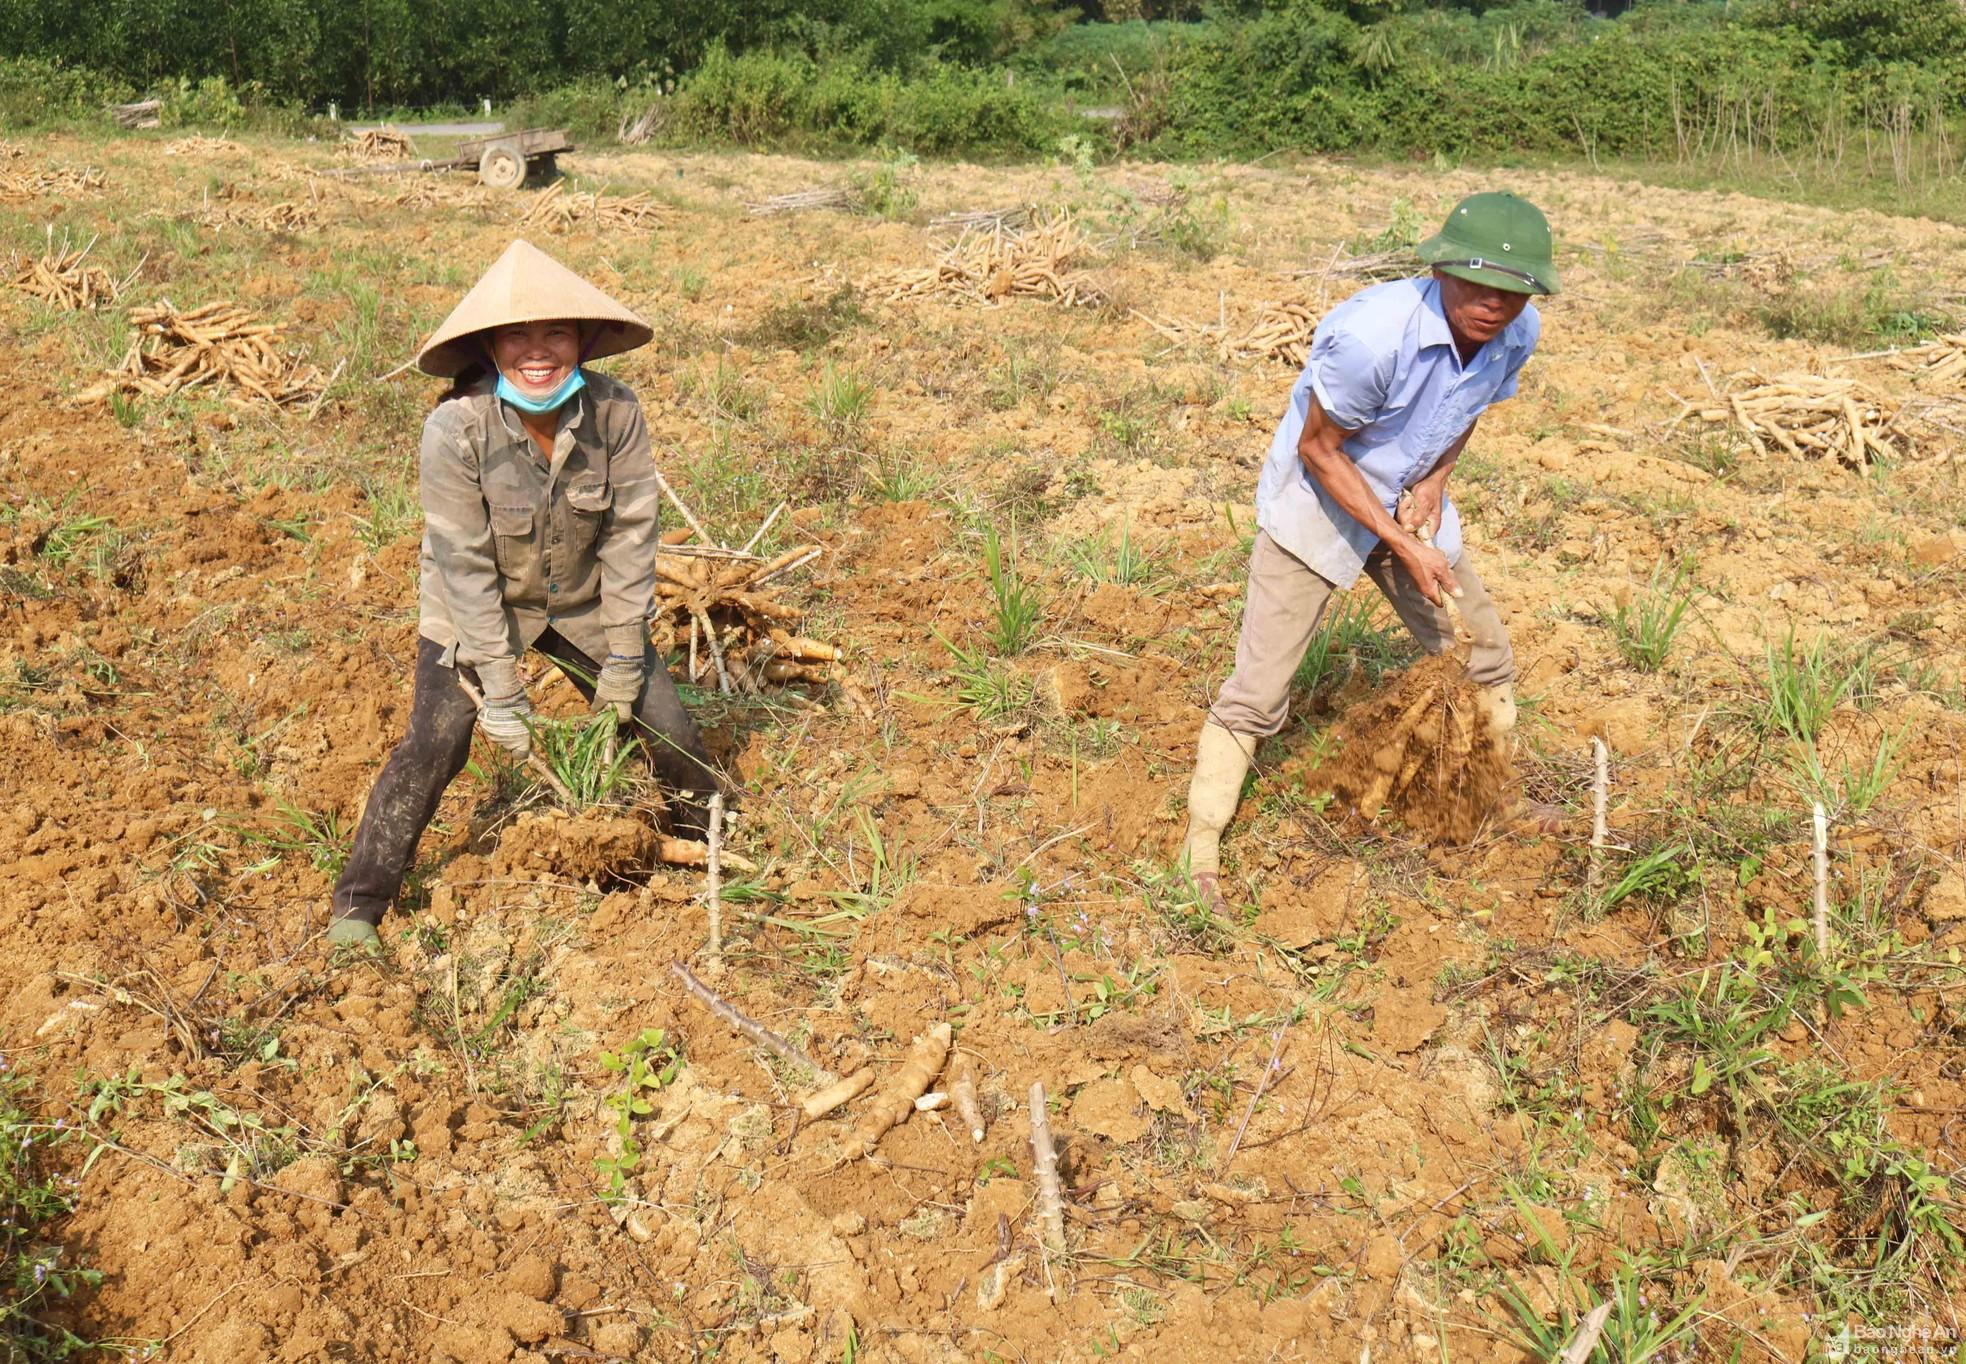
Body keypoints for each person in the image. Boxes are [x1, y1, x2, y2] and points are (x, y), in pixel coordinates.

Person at [326, 239, 720, 947]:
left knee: (668, 725)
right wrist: (501, 689)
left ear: (582, 342)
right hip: (476, 610)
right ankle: (359, 905)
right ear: (490, 346)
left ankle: (713, 850)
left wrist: (627, 656)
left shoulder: (617, 414)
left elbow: (632, 538)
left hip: (585, 605)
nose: (538, 351)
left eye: (556, 334)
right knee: (435, 744)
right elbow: (465, 564)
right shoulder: (455, 428)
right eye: (518, 335)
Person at [1179, 191, 1559, 914]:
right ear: (1442, 268)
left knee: (1485, 656)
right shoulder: (1373, 338)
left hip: (1409, 497)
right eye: (1477, 284)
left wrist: (1436, 482)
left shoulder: (1518, 332)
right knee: (1258, 693)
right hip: (1320, 500)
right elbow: (1319, 449)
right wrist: (1394, 541)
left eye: (1514, 292)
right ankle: (1199, 851)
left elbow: (1465, 409)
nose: (1493, 304)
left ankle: (1495, 796)